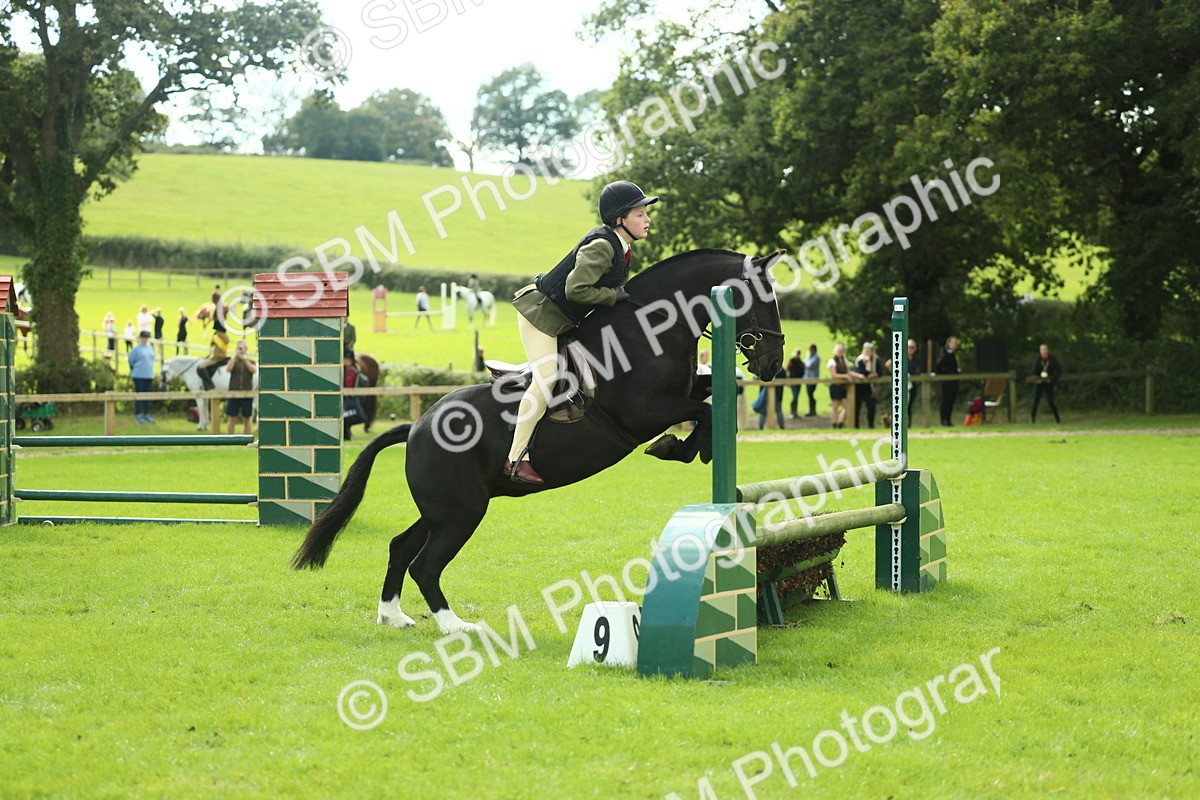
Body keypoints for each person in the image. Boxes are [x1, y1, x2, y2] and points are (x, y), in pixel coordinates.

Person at [503, 180, 657, 484]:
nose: (647, 219)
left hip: (562, 319)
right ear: (619, 219)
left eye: (645, 213)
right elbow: (577, 290)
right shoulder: (602, 246)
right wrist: (613, 296)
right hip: (541, 315)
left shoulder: (622, 248)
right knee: (547, 378)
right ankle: (515, 459)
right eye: (640, 213)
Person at [224, 339, 257, 434]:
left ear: (246, 348)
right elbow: (228, 369)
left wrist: (245, 359)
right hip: (234, 394)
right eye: (239, 348)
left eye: (243, 347)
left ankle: (246, 438)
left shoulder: (250, 361)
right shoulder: (234, 361)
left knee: (247, 418)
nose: (241, 349)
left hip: (246, 394)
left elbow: (253, 370)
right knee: (232, 417)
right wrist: (235, 357)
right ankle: (230, 438)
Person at [827, 342, 858, 429]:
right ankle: (834, 424)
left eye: (842, 350)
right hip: (835, 386)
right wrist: (845, 376)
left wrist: (858, 375)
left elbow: (848, 371)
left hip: (843, 386)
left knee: (847, 406)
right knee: (835, 406)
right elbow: (834, 374)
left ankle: (840, 422)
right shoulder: (832, 361)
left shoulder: (844, 360)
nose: (840, 352)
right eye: (839, 350)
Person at [127, 331, 156, 424]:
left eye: (146, 337)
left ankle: (147, 414)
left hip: (148, 375)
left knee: (147, 396)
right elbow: (131, 360)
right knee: (139, 396)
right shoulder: (136, 349)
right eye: (143, 337)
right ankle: (138, 415)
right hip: (139, 375)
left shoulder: (150, 348)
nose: (145, 339)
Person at [1030, 343, 1062, 423]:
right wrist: (1037, 380)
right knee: (1036, 400)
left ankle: (1057, 419)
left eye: (1045, 349)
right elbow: (1034, 372)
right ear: (1040, 351)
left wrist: (1051, 379)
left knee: (1051, 401)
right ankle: (1032, 419)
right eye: (1042, 350)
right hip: (1039, 384)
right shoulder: (1037, 360)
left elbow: (1058, 371)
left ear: (1047, 350)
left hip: (1048, 383)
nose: (1043, 351)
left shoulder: (1052, 360)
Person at [196, 320, 230, 390]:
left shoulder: (216, 335)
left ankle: (209, 385)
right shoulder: (225, 335)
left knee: (201, 367)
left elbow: (212, 346)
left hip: (216, 357)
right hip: (223, 355)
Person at [934, 336, 960, 427]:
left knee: (951, 401)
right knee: (946, 401)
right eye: (953, 343)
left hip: (954, 381)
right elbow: (939, 366)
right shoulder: (945, 354)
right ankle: (943, 420)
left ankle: (948, 420)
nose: (955, 345)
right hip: (947, 382)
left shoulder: (954, 355)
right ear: (948, 344)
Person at [853, 342, 881, 428]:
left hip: (869, 387)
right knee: (857, 406)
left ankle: (871, 425)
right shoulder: (860, 360)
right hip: (859, 387)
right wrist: (868, 362)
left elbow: (880, 372)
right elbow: (863, 372)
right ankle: (855, 425)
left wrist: (874, 375)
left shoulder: (876, 359)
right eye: (867, 351)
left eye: (870, 351)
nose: (869, 353)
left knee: (871, 405)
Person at [342, 349, 367, 440]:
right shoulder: (354, 369)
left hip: (349, 399)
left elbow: (348, 386)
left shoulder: (350, 371)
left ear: (348, 360)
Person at [906, 339, 922, 421]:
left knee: (909, 405)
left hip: (912, 384)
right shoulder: (901, 358)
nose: (910, 349)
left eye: (912, 347)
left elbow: (919, 371)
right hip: (903, 384)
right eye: (909, 347)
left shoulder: (917, 359)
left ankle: (908, 423)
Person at [803, 343, 821, 417]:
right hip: (807, 378)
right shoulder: (809, 357)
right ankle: (811, 410)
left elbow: (808, 365)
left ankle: (812, 410)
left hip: (813, 379)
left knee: (810, 394)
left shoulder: (816, 358)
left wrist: (804, 364)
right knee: (809, 394)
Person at [786, 348, 804, 419]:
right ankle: (793, 412)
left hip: (798, 381)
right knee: (795, 396)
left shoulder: (800, 361)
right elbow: (787, 369)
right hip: (793, 380)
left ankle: (794, 412)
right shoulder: (792, 361)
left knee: (796, 396)